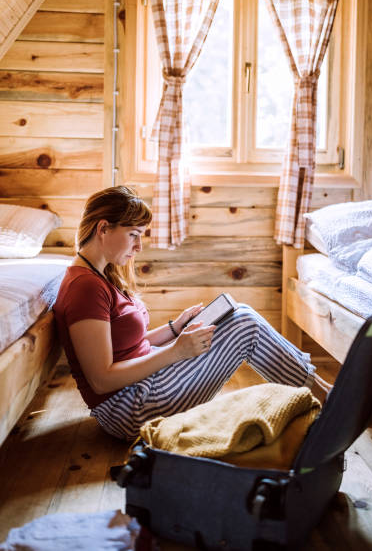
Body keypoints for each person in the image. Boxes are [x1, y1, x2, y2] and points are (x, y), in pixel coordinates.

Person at [53, 185, 331, 441]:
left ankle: (322, 391)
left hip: (140, 386)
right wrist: (176, 351)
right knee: (245, 324)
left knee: (238, 315)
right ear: (103, 228)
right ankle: (327, 400)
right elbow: (101, 380)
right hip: (128, 408)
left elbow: (126, 347)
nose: (139, 247)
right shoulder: (85, 287)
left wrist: (176, 328)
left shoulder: (99, 275)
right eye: (134, 235)